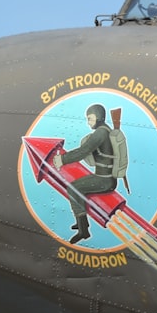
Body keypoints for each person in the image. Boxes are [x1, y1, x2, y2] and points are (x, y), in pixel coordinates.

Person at [58, 104, 116, 243]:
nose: (88, 122)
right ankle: (81, 223)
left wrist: (62, 159)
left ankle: (83, 231)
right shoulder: (107, 130)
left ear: (99, 117)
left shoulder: (101, 133)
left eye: (90, 119)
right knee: (76, 186)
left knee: (73, 188)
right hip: (105, 177)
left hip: (104, 180)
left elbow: (83, 150)